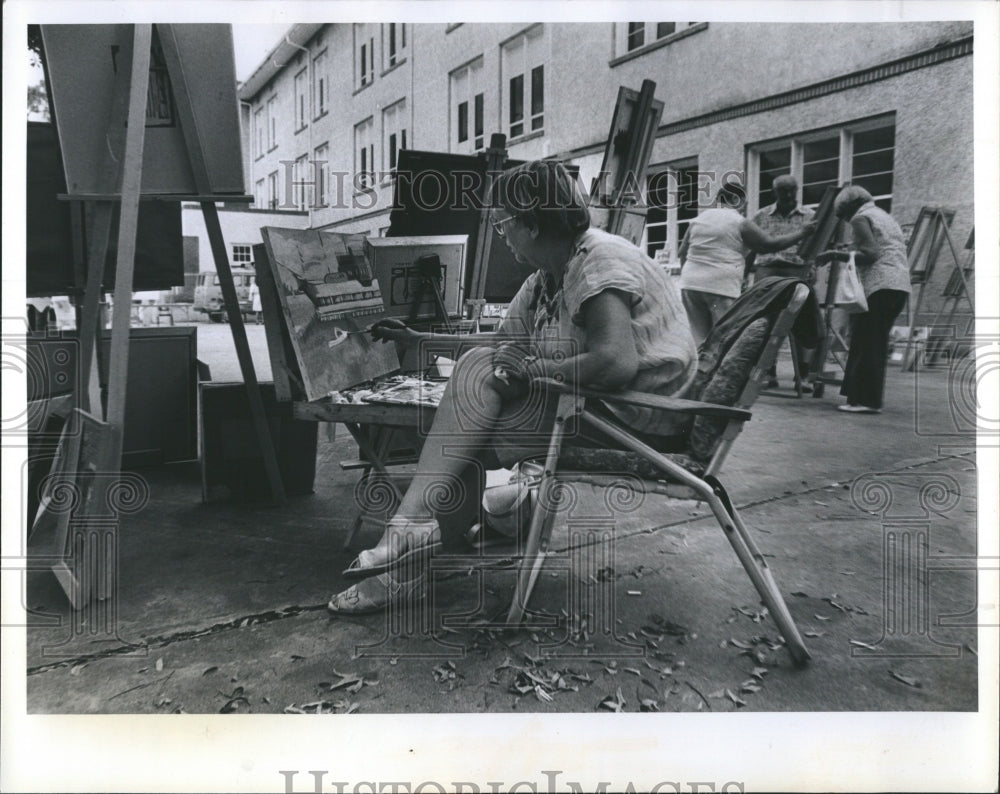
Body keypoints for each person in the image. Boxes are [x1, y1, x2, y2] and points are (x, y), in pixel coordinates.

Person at [327, 159, 698, 614]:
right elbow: (497, 343)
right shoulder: (548, 277)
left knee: (459, 438)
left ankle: (406, 555)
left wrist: (532, 369)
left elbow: (615, 362)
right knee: (468, 406)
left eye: (503, 222)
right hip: (599, 407)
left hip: (639, 416)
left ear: (532, 221)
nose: (501, 233)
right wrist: (420, 338)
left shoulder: (598, 259)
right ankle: (410, 540)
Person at [678, 181, 816, 346]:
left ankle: (698, 370)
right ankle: (715, 371)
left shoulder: (699, 220)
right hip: (720, 285)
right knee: (723, 336)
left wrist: (689, 276)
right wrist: (802, 233)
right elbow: (768, 245)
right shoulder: (740, 222)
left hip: (690, 283)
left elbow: (682, 253)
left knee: (698, 336)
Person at [817, 185, 911, 414]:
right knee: (873, 342)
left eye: (842, 215)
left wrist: (834, 255)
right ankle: (863, 398)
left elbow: (870, 253)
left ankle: (865, 401)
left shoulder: (861, 218)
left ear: (849, 207)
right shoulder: (883, 216)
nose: (844, 221)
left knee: (866, 342)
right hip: (897, 285)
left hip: (879, 286)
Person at [747, 175, 817, 389]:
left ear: (797, 190)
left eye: (791, 190)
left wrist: (811, 267)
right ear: (774, 192)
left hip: (796, 269)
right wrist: (744, 272)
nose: (787, 195)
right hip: (768, 270)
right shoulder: (760, 216)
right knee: (766, 320)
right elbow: (752, 246)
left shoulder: (810, 216)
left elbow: (817, 244)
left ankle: (802, 375)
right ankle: (768, 371)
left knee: (802, 318)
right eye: (782, 191)